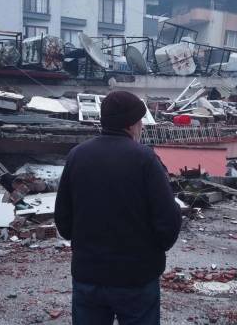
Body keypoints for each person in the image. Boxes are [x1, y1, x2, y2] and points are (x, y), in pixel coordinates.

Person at [55, 91, 182, 325]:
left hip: (88, 275)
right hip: (136, 278)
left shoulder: (77, 156)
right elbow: (168, 220)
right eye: (140, 120)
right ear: (132, 124)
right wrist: (153, 252)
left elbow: (63, 220)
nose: (142, 125)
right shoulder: (145, 159)